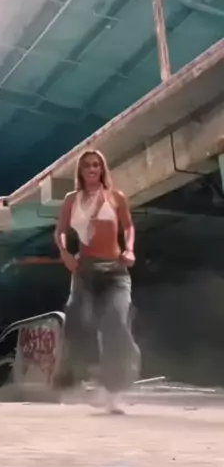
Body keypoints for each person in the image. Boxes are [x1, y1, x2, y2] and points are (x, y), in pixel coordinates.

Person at [54, 149, 140, 414]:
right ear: (80, 171)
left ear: (102, 169)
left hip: (115, 272)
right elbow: (60, 231)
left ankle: (114, 389)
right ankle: (79, 377)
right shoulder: (71, 200)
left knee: (115, 320)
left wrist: (130, 249)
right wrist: (65, 254)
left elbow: (128, 227)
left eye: (96, 165)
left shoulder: (115, 197)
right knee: (76, 316)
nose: (92, 169)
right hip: (85, 272)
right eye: (87, 166)